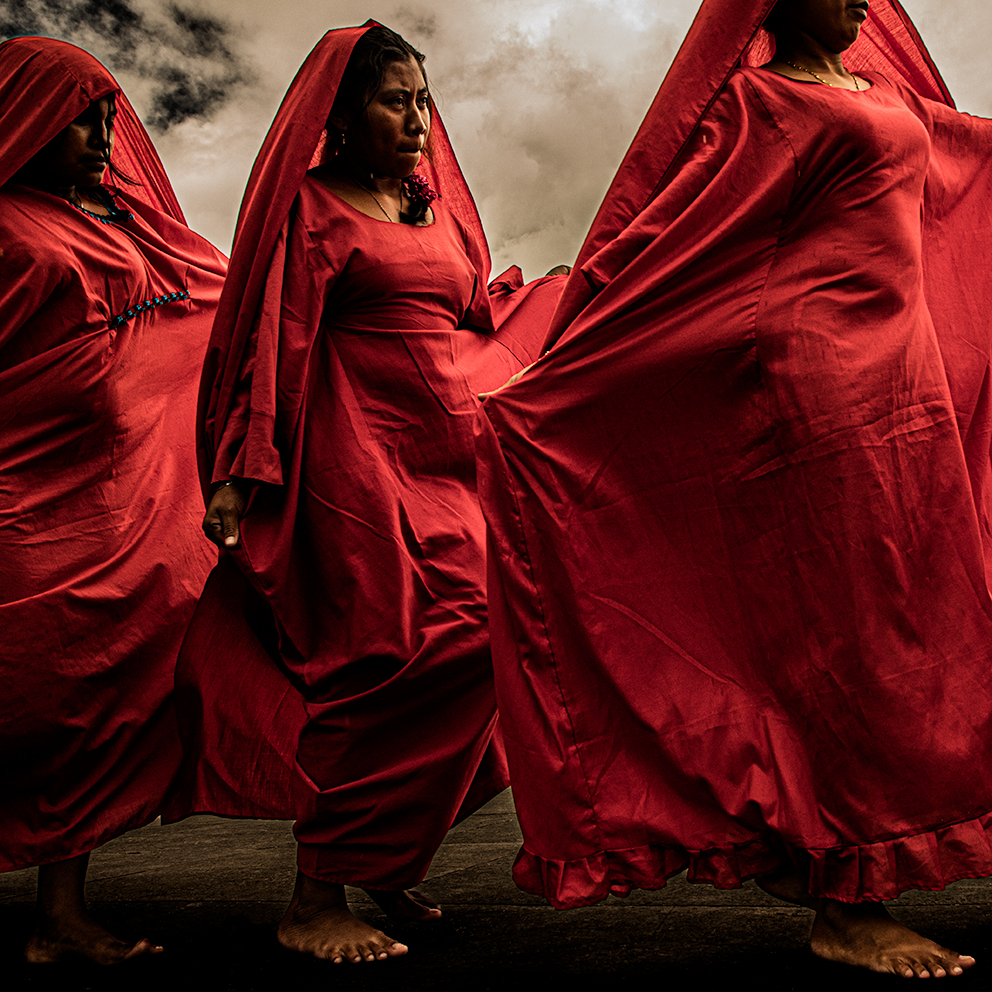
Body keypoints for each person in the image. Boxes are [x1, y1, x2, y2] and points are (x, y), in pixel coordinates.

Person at [477, 0, 992, 979]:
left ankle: (827, 856)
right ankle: (849, 901)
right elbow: (674, 236)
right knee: (855, 637)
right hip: (821, 391)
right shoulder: (759, 102)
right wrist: (562, 365)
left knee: (913, 624)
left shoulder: (885, 96)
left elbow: (964, 160)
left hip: (905, 390)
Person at [169, 22, 565, 965]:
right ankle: (315, 896)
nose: (420, 119)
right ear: (344, 116)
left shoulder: (435, 213)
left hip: (449, 461)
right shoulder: (315, 212)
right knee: (382, 659)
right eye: (398, 100)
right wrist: (239, 475)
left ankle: (388, 860)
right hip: (356, 469)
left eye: (425, 100)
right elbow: (278, 342)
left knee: (484, 637)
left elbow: (477, 315)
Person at [0, 37, 227, 964]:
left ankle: (60, 914)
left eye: (108, 114)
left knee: (88, 700)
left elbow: (197, 299)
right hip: (22, 495)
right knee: (25, 695)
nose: (105, 133)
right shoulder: (8, 227)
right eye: (83, 114)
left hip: (104, 498)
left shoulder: (110, 220)